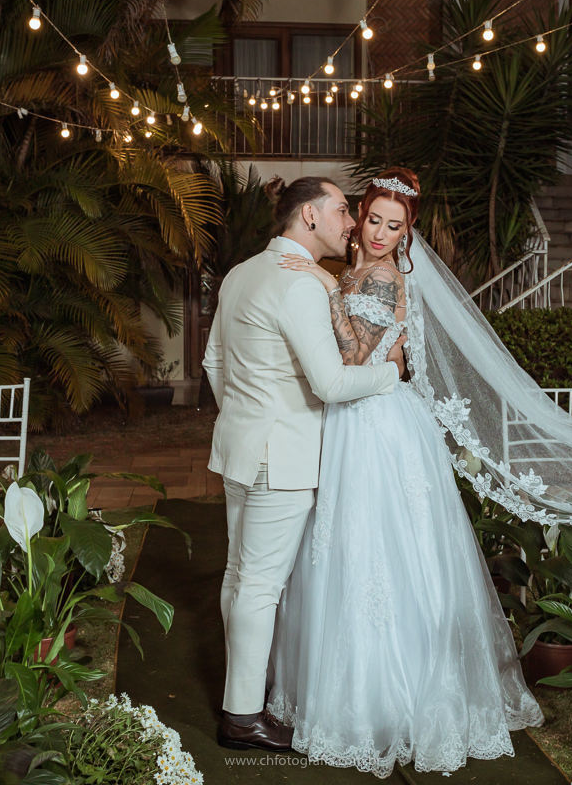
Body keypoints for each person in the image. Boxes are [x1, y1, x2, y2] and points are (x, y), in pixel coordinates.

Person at [267, 168, 543, 778]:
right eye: (374, 221)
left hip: (379, 426)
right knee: (346, 553)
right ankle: (354, 694)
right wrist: (334, 283)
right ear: (359, 217)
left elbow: (356, 355)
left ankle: (397, 700)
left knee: (385, 552)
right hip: (354, 419)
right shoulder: (358, 272)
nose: (383, 234)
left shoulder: (384, 278)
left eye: (396, 226)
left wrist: (322, 283)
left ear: (406, 232)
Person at [202, 176, 407, 753]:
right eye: (343, 210)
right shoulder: (300, 288)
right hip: (283, 455)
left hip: (241, 446)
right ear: (309, 217)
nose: (351, 222)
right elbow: (333, 382)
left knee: (239, 578)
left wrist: (247, 414)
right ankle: (242, 717)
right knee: (259, 586)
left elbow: (214, 363)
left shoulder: (241, 274)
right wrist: (396, 372)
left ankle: (244, 694)